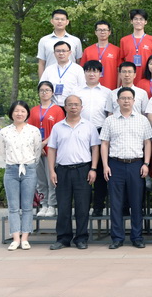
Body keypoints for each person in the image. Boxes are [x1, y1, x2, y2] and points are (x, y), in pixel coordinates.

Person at [100, 87, 152, 249]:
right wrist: (105, 165)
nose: (126, 101)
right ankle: (117, 238)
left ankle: (137, 237)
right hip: (115, 164)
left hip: (136, 164)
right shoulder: (110, 120)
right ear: (117, 101)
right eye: (123, 98)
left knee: (137, 202)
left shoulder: (142, 120)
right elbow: (104, 143)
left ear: (134, 101)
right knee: (116, 203)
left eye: (129, 98)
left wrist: (146, 163)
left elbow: (148, 142)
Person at [47, 95, 100, 250]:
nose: (73, 107)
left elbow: (95, 148)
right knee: (63, 207)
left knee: (82, 207)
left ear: (81, 107)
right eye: (70, 104)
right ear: (65, 107)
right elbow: (52, 149)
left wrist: (93, 168)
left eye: (76, 104)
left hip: (83, 170)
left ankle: (81, 238)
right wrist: (52, 171)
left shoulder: (89, 126)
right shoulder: (57, 127)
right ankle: (63, 238)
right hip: (62, 170)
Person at [0, 100, 42, 251]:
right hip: (11, 170)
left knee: (27, 206)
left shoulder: (33, 131)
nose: (19, 114)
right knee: (13, 207)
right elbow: (3, 152)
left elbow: (37, 151)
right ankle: (15, 238)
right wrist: (13, 163)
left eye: (23, 111)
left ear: (27, 114)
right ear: (11, 113)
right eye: (16, 111)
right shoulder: (4, 132)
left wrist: (29, 164)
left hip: (29, 170)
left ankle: (25, 238)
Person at [74, 61, 113, 217]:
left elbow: (109, 115)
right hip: (80, 132)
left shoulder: (107, 92)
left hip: (100, 131)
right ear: (84, 73)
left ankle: (98, 206)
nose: (92, 74)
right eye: (89, 71)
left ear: (100, 73)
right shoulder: (76, 92)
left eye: (95, 71)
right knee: (83, 169)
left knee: (100, 171)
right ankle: (83, 207)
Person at [28, 81, 65, 218]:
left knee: (51, 178)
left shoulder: (58, 110)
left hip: (51, 149)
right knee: (41, 180)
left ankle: (52, 205)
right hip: (37, 150)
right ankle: (43, 204)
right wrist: (39, 145)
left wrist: (44, 143)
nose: (44, 93)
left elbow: (58, 130)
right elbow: (30, 130)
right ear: (38, 93)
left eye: (47, 90)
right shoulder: (33, 110)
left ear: (52, 92)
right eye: (42, 90)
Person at [37, 9, 83, 77]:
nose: (59, 21)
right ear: (52, 21)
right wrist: (42, 81)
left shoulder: (76, 41)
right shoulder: (44, 40)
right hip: (50, 78)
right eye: (57, 19)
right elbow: (41, 63)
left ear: (67, 22)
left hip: (71, 78)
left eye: (62, 19)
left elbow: (79, 62)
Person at [39, 41, 86, 106]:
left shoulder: (78, 69)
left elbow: (83, 89)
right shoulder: (48, 70)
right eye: (58, 51)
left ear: (69, 52)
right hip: (52, 106)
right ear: (54, 53)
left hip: (71, 107)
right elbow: (42, 87)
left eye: (64, 51)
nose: (61, 53)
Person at [119, 9, 152, 85]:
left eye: (141, 19)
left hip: (146, 78)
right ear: (131, 21)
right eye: (136, 19)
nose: (138, 21)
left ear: (145, 22)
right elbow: (121, 62)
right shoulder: (124, 40)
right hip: (128, 79)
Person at [80, 20, 120, 89]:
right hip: (91, 88)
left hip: (111, 88)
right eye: (99, 30)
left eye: (105, 30)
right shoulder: (88, 50)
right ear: (95, 32)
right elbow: (82, 71)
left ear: (109, 32)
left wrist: (118, 88)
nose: (102, 32)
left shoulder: (117, 50)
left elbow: (120, 71)